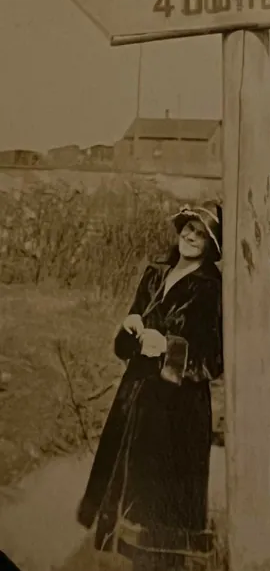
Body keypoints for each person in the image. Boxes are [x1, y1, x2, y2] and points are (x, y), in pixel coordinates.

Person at [76, 203, 223, 570]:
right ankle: (114, 554)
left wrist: (168, 347)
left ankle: (163, 559)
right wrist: (129, 330)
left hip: (179, 404)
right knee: (125, 470)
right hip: (136, 390)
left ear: (212, 245)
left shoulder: (212, 287)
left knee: (165, 485)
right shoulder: (155, 273)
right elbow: (128, 342)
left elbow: (214, 359)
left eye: (200, 233)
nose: (190, 236)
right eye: (187, 228)